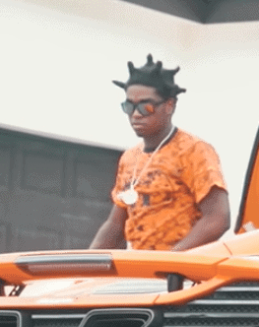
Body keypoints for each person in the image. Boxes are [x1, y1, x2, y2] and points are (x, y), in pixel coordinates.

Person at [90, 55, 230, 251]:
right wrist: (80, 274)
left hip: (181, 275)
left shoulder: (193, 151)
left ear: (169, 106)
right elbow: (114, 227)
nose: (136, 114)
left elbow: (218, 219)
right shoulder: (130, 159)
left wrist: (169, 264)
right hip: (142, 272)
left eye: (146, 107)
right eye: (129, 106)